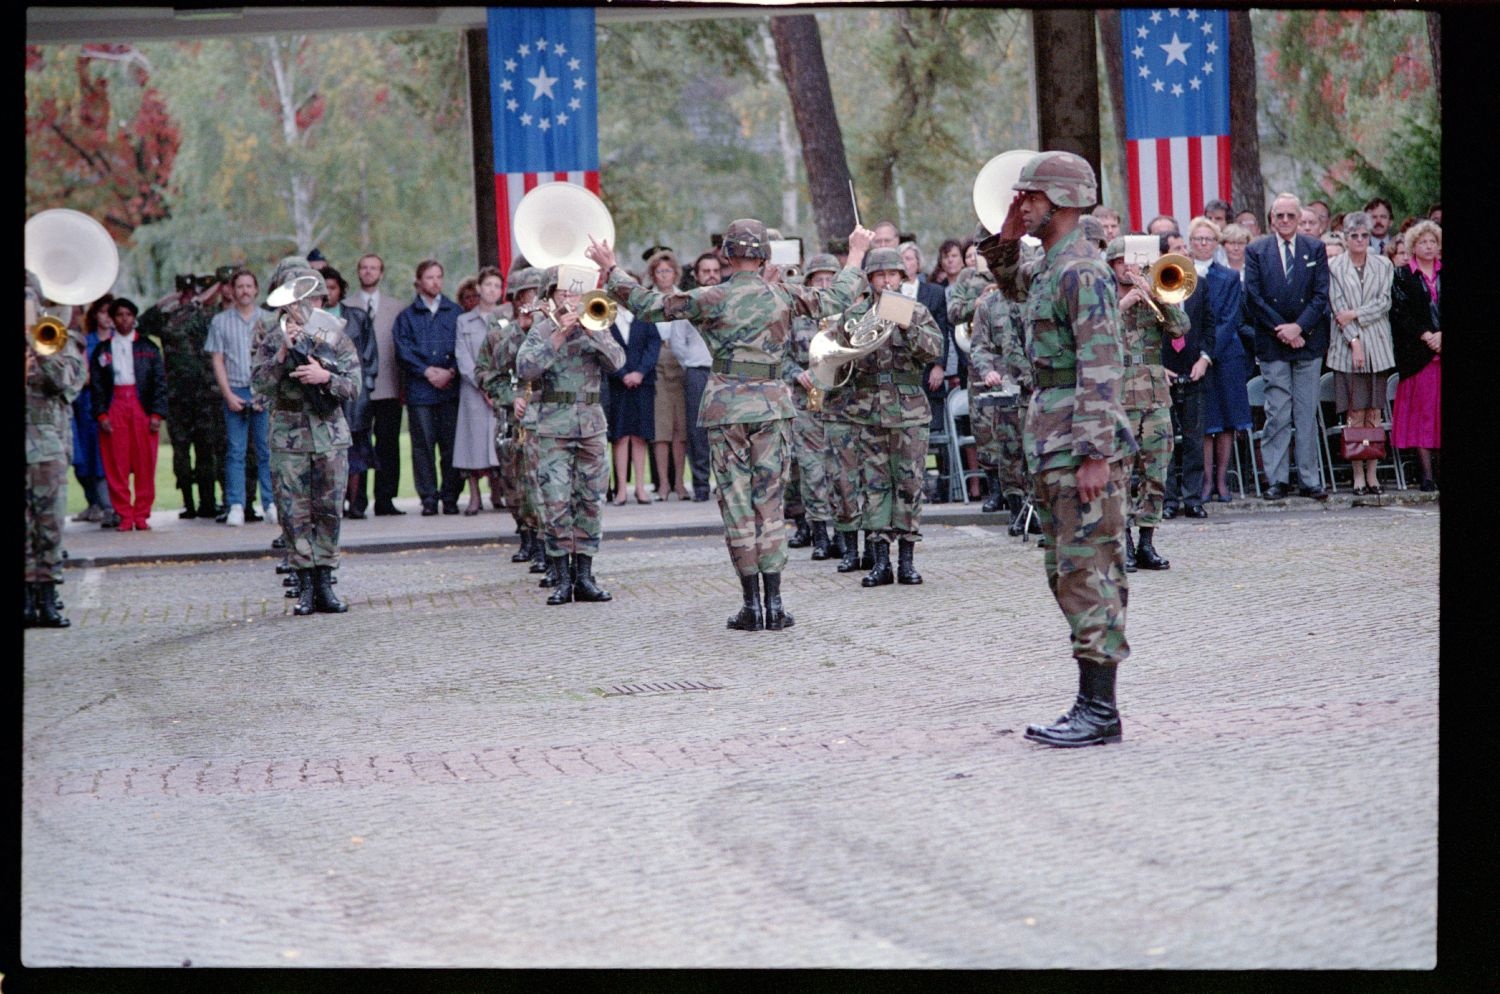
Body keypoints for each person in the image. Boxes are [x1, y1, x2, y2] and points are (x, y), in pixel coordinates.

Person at [592, 219, 872, 631]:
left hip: (726, 410)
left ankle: (750, 605)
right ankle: (775, 605)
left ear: (726, 254)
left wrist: (612, 268)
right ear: (764, 255)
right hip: (772, 408)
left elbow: (651, 306)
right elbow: (838, 297)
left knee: (737, 504)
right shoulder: (783, 294)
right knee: (770, 503)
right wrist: (858, 251)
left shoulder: (711, 296)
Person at [991, 150, 1135, 748]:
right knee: (1066, 570)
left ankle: (1100, 712)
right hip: (1052, 436)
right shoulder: (1052, 265)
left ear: (1062, 200)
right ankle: (1089, 703)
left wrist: (1095, 452)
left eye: (1030, 197)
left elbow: (1101, 365)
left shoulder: (1084, 270)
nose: (1022, 203)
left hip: (1078, 439)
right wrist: (1004, 234)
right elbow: (1007, 279)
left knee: (1090, 569)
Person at [252, 264, 360, 615]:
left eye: (308, 294)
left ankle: (326, 583)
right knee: (293, 513)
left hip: (328, 434)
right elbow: (260, 386)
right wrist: (283, 353)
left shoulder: (335, 335)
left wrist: (323, 375)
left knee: (328, 511)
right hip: (289, 437)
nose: (301, 303)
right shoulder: (270, 337)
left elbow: (354, 385)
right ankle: (305, 585)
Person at [515, 266, 627, 605]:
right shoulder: (542, 329)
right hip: (554, 427)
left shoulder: (598, 322)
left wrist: (594, 333)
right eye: (564, 293)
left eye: (576, 293)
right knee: (556, 501)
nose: (571, 299)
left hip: (592, 426)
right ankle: (562, 578)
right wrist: (559, 336)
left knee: (590, 500)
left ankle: (585, 576)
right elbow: (525, 369)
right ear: (551, 296)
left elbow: (618, 362)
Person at [841, 247, 944, 587]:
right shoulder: (857, 313)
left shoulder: (917, 311)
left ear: (903, 277)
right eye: (880, 275)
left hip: (909, 410)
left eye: (893, 275)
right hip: (868, 410)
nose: (887, 281)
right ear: (869, 279)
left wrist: (907, 324)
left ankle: (908, 560)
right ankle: (881, 560)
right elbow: (839, 361)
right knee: (874, 485)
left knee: (910, 483)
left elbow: (933, 350)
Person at [1107, 237, 1189, 572]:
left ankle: (1146, 542)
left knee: (1156, 468)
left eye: (1135, 261)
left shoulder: (1154, 293)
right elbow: (1089, 331)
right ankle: (1122, 542)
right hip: (1119, 394)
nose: (1130, 267)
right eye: (1123, 262)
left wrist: (1156, 296)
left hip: (1155, 394)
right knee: (1120, 471)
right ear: (1111, 265)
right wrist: (1126, 301)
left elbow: (1181, 330)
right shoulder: (1104, 297)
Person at [1245, 192, 1332, 500]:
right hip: (1273, 343)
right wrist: (1283, 330)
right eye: (1279, 216)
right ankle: (1277, 480)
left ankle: (1310, 480)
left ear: (1299, 219)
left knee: (1306, 413)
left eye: (1290, 216)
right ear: (1271, 219)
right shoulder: (1257, 250)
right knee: (1278, 413)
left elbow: (1322, 295)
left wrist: (1300, 327)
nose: (1284, 221)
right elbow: (1253, 296)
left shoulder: (1315, 248)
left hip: (1308, 342)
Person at [141, 268, 230, 520]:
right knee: (181, 452)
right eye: (185, 291)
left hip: (206, 395)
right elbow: (142, 323)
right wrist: (168, 299)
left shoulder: (208, 316)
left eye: (193, 291)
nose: (189, 296)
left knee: (206, 451)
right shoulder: (168, 319)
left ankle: (208, 502)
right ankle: (188, 503)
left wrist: (204, 296)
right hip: (179, 396)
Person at [26, 272, 87, 627]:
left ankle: (47, 597)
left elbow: (69, 383)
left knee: (49, 526)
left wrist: (40, 351)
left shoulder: (54, 336)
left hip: (46, 446)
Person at [476, 267, 545, 563]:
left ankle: (543, 542)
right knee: (513, 480)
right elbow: (485, 373)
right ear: (516, 299)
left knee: (538, 481)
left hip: (542, 416)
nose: (532, 299)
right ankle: (525, 534)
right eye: (528, 294)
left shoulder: (550, 330)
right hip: (510, 417)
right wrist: (510, 397)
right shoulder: (500, 333)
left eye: (537, 293)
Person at [1327, 211, 1395, 496]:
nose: (1358, 240)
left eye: (1364, 235)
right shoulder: (1334, 267)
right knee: (1355, 413)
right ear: (1344, 237)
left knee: (1374, 414)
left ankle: (1373, 473)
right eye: (1353, 235)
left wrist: (1356, 313)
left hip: (1378, 346)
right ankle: (1357, 474)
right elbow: (1337, 309)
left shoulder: (1383, 264)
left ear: (1370, 237)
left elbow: (1384, 302)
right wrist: (1354, 341)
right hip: (1346, 348)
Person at [778, 252, 841, 560]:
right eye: (820, 280)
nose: (826, 285)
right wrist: (795, 373)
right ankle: (818, 533)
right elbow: (781, 355)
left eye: (831, 279)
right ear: (810, 283)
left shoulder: (848, 316)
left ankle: (845, 532)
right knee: (811, 469)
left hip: (841, 402)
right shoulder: (797, 318)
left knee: (840, 469)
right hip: (806, 402)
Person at [91, 298, 168, 531]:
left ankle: (142, 514)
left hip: (140, 406)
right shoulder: (102, 350)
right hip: (115, 405)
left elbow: (159, 383)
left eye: (128, 314)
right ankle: (124, 514)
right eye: (119, 315)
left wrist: (157, 413)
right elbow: (97, 386)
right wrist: (102, 415)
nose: (124, 319)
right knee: (117, 463)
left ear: (134, 318)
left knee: (145, 462)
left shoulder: (148, 347)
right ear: (113, 320)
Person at [206, 270, 276, 526]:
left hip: (261, 391)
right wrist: (228, 395)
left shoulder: (269, 320)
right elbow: (217, 359)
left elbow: (273, 360)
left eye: (249, 286)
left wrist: (265, 392)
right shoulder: (220, 322)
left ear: (256, 290)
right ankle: (236, 503)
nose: (245, 291)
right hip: (235, 389)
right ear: (232, 290)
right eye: (240, 286)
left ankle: (270, 503)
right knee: (235, 450)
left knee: (266, 449)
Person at [393, 259, 462, 515]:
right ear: (419, 282)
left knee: (451, 445)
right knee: (423, 447)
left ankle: (451, 497)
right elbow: (403, 350)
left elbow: (463, 348)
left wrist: (451, 371)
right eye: (430, 277)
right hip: (420, 391)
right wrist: (426, 371)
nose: (435, 282)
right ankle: (429, 499)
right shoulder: (407, 317)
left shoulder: (454, 313)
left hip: (449, 389)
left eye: (439, 277)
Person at [1200, 221, 1254, 502]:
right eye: (1197, 239)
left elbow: (1230, 318)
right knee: (1206, 422)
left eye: (1208, 239)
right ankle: (1206, 481)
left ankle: (1222, 480)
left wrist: (1209, 353)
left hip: (1226, 355)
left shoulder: (1229, 276)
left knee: (1228, 421)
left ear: (1215, 242)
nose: (1202, 244)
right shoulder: (1183, 272)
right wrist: (1198, 353)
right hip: (1196, 357)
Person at [350, 253, 406, 517]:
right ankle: (356, 500)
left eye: (374, 268)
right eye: (364, 267)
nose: (369, 272)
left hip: (388, 386)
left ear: (381, 273)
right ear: (358, 272)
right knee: (357, 445)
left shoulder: (396, 308)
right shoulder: (347, 307)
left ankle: (385, 499)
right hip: (356, 391)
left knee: (388, 444)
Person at [320, 267, 378, 518]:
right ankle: (333, 503)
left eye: (332, 288)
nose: (328, 293)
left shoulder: (357, 317)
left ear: (340, 289)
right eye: (323, 288)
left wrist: (364, 385)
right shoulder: (313, 319)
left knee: (356, 449)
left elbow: (369, 354)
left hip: (354, 394)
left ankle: (356, 502)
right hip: (324, 391)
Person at [1390, 220, 1441, 492]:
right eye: (1423, 242)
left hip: (1442, 352)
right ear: (1413, 246)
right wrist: (1427, 335)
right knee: (1422, 416)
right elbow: (1400, 313)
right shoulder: (1402, 275)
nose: (1429, 246)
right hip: (1417, 355)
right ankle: (1426, 474)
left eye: (1433, 241)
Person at [669, 253, 721, 502]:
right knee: (697, 431)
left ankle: (724, 483)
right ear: (697, 275)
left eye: (715, 270)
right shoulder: (687, 304)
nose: (711, 274)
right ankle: (701, 484)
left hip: (723, 373)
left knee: (724, 430)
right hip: (697, 372)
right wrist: (692, 364)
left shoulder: (728, 300)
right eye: (706, 271)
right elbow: (677, 344)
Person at [454, 267, 505, 514]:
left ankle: (497, 492)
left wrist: (497, 385)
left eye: (497, 286)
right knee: (472, 444)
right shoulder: (464, 321)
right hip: (474, 391)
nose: (492, 290)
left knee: (498, 442)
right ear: (479, 288)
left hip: (500, 391)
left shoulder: (507, 319)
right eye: (488, 285)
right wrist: (482, 383)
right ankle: (474, 496)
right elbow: (463, 357)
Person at [605, 290, 661, 505]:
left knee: (640, 435)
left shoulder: (645, 316)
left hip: (643, 382)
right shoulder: (606, 318)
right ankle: (621, 490)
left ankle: (640, 488)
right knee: (620, 436)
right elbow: (605, 350)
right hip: (618, 385)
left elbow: (653, 345)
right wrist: (622, 374)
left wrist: (640, 372)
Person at [644, 251, 691, 500]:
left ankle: (680, 483)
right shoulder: (649, 298)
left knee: (679, 429)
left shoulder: (683, 297)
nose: (663, 275)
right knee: (661, 428)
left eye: (668, 271)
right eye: (659, 271)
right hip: (656, 357)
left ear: (675, 273)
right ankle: (663, 484)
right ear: (653, 274)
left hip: (680, 358)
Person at [71, 296, 117, 525]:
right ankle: (94, 503)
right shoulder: (85, 342)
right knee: (84, 457)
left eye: (111, 313)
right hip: (86, 404)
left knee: (105, 458)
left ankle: (109, 505)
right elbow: (82, 376)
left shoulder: (120, 341)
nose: (107, 317)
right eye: (103, 312)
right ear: (95, 314)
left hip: (111, 404)